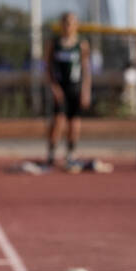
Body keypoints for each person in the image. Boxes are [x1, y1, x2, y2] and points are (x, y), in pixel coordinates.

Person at [45, 11, 91, 168]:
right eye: (65, 23)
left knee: (74, 122)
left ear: (76, 25)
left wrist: (86, 90)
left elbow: (86, 69)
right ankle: (51, 152)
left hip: (75, 86)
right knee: (58, 120)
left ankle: (71, 153)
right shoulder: (55, 43)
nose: (68, 26)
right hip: (60, 86)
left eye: (71, 23)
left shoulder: (81, 44)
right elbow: (48, 67)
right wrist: (53, 86)